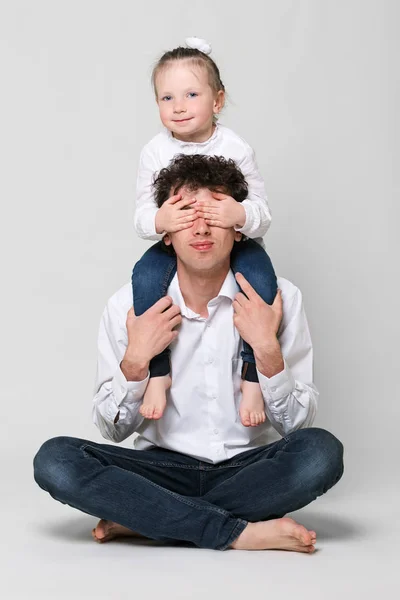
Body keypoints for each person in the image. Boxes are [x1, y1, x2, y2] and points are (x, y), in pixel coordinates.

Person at [33, 154, 344, 553]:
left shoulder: (280, 299)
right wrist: (136, 361)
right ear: (165, 233)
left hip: (248, 468)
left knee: (321, 452)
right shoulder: (127, 305)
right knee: (56, 459)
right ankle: (239, 532)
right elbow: (112, 430)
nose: (200, 227)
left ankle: (150, 519)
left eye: (215, 213)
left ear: (239, 228)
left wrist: (267, 348)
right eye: (184, 215)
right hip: (160, 469)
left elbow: (297, 424)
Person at [132, 37, 277, 426]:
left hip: (234, 242)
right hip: (175, 245)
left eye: (191, 94)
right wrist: (162, 221)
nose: (178, 106)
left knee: (262, 281)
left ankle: (251, 377)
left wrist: (237, 212)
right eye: (166, 98)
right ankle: (158, 372)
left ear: (217, 101)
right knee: (144, 277)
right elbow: (142, 216)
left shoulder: (235, 147)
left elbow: (262, 213)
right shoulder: (154, 152)